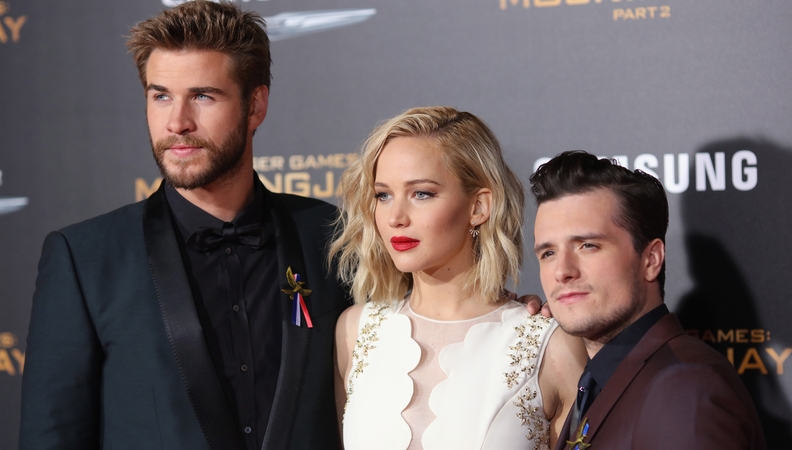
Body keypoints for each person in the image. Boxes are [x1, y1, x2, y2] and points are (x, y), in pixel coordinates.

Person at [19, 2, 349, 449]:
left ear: (256, 105)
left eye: (202, 96)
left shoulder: (333, 236)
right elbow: (51, 436)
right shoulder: (85, 258)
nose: (177, 122)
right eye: (160, 96)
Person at [329, 106, 587, 449]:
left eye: (422, 193)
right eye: (383, 195)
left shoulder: (550, 345)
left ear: (478, 207)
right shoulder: (355, 331)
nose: (396, 217)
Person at [530, 150, 766, 450]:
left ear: (651, 259)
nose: (562, 271)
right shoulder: (596, 379)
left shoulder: (684, 391)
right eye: (548, 253)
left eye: (588, 245)